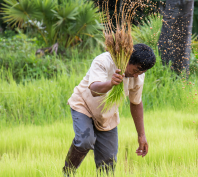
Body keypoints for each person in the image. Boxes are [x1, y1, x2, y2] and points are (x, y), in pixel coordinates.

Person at [63, 43, 156, 176]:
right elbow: (94, 89)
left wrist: (141, 136)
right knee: (85, 141)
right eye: (136, 70)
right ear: (128, 59)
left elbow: (136, 103)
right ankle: (67, 173)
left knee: (108, 161)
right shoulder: (103, 61)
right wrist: (111, 83)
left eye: (141, 72)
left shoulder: (138, 76)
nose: (137, 76)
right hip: (84, 105)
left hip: (107, 114)